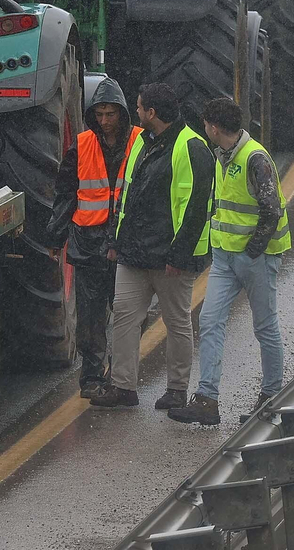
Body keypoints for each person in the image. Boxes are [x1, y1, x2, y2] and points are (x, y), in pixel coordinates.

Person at [168, 97, 292, 427]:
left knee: (265, 326)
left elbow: (271, 209)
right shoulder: (222, 155)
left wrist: (253, 252)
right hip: (224, 258)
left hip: (256, 259)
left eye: (207, 125)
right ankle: (207, 399)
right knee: (210, 321)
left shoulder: (255, 158)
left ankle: (271, 397)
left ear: (214, 128)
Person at [90, 82, 214, 409]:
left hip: (171, 259)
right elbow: (128, 197)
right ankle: (123, 387)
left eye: (140, 107)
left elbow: (196, 207)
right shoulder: (143, 142)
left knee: (176, 324)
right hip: (134, 255)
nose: (137, 111)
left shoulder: (192, 148)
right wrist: (117, 241)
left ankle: (176, 389)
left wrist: (179, 255)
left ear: (152, 113)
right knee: (124, 319)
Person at [48, 77, 141, 398]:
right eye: (99, 114)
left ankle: (121, 375)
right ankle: (91, 377)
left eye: (110, 114)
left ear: (123, 114)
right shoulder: (82, 144)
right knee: (89, 316)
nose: (104, 121)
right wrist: (55, 237)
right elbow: (65, 194)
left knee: (128, 315)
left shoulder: (141, 143)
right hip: (88, 243)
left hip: (127, 245)